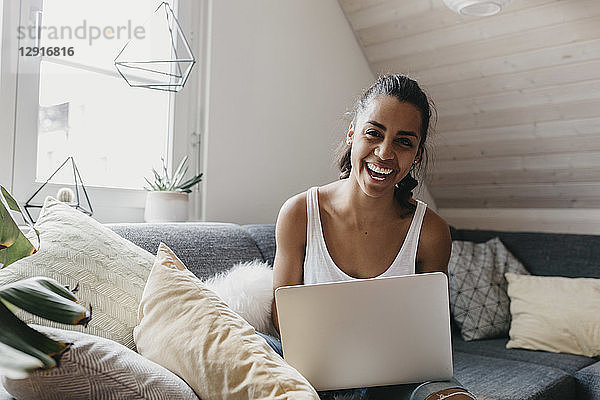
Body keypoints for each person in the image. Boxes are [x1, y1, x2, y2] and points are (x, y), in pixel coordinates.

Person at [259, 75, 476, 400]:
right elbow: (283, 315)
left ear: (417, 154)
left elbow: (429, 332)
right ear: (352, 135)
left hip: (400, 379)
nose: (385, 153)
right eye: (374, 133)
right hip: (317, 374)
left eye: (404, 142)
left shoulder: (431, 232)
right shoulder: (299, 213)